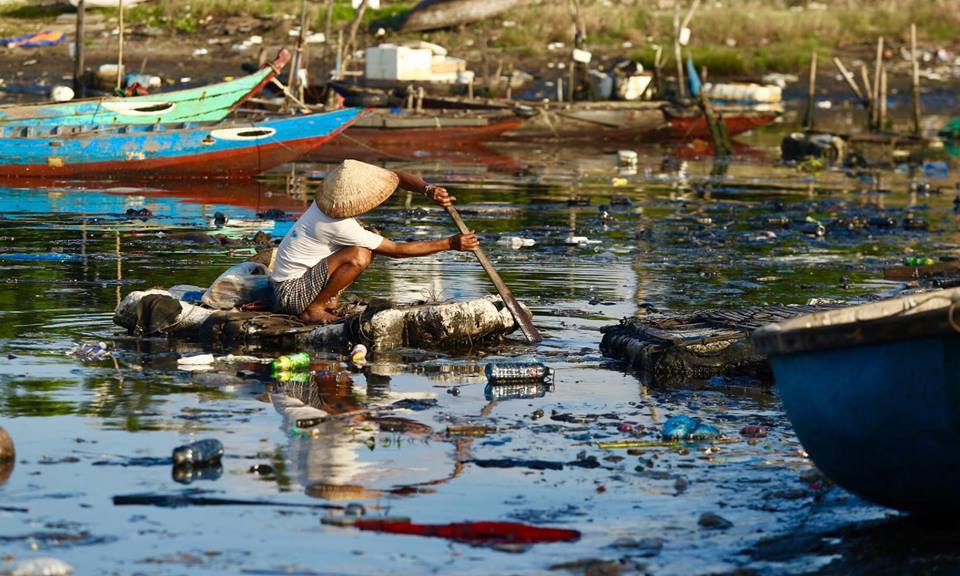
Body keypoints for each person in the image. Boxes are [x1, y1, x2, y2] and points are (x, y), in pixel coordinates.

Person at [270, 159, 478, 323]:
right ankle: (314, 308)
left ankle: (328, 300)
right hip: (290, 294)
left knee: (372, 234)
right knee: (358, 255)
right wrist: (450, 244)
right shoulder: (338, 223)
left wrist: (428, 190)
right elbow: (397, 250)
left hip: (298, 280)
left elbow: (396, 177)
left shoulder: (325, 203)